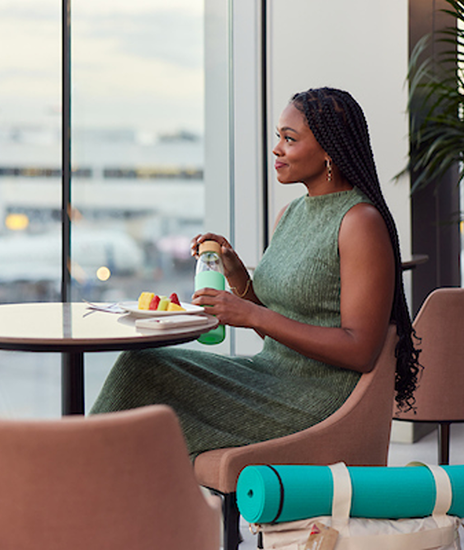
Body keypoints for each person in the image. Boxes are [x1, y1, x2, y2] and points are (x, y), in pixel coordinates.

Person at [90, 87, 421, 458]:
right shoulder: (291, 214)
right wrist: (237, 277)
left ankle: (80, 486)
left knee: (146, 377)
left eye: (289, 139)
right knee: (142, 364)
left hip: (316, 399)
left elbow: (361, 350)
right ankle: (100, 487)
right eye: (278, 137)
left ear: (328, 149)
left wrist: (250, 314)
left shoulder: (360, 222)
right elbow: (282, 315)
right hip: (269, 375)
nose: (277, 148)